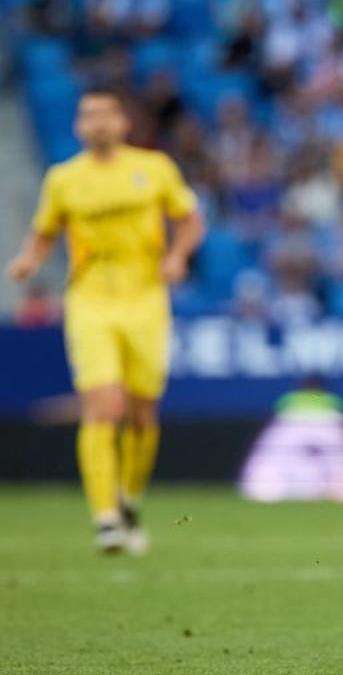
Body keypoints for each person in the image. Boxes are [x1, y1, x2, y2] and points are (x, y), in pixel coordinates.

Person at [6, 85, 205, 554]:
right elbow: (45, 233)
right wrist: (28, 260)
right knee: (102, 405)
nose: (97, 122)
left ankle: (129, 497)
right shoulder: (63, 179)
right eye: (88, 115)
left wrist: (177, 256)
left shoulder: (153, 169)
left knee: (140, 413)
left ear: (122, 123)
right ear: (78, 126)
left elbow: (190, 219)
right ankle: (106, 518)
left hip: (145, 301)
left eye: (105, 114)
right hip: (90, 303)